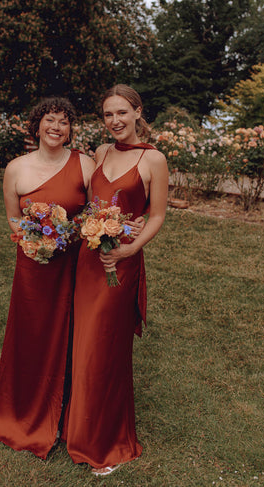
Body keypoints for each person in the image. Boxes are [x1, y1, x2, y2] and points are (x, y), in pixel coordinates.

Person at [64, 84, 169, 476]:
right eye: (108, 114)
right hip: (89, 261)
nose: (115, 121)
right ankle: (78, 429)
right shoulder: (101, 153)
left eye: (122, 112)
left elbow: (156, 215)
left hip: (119, 265)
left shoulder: (153, 159)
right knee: (82, 343)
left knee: (104, 349)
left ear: (138, 112)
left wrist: (128, 248)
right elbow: (93, 203)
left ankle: (106, 443)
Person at [0, 97, 95, 459]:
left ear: (70, 130)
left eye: (64, 122)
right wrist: (37, 242)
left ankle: (68, 415)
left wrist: (70, 232)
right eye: (50, 120)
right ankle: (21, 409)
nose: (56, 127)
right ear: (37, 125)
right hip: (33, 268)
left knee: (73, 334)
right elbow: (14, 221)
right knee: (30, 335)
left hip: (73, 267)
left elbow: (97, 211)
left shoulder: (85, 165)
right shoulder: (16, 168)